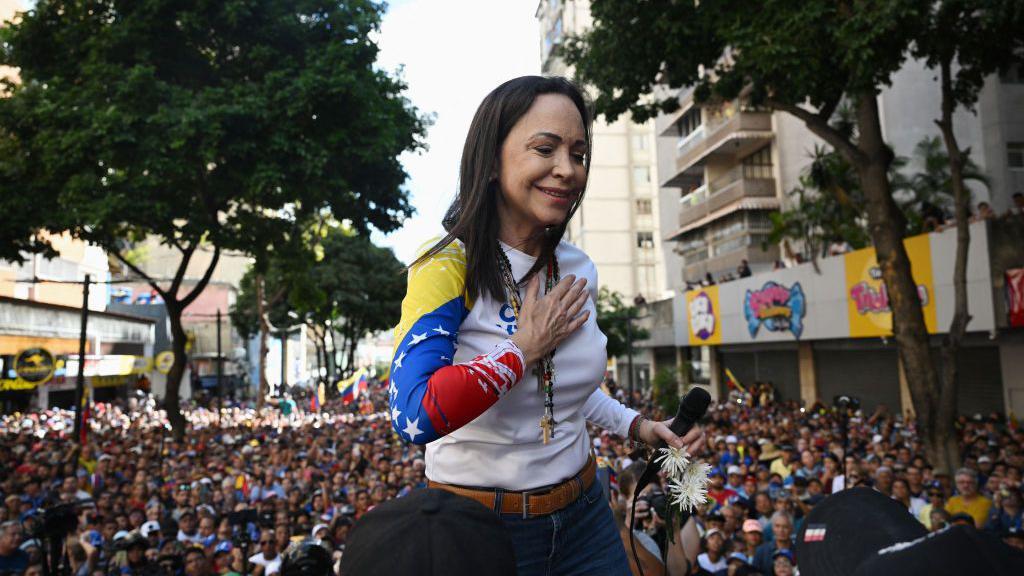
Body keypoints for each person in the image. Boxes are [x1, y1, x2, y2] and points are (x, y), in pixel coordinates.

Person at [388, 75, 704, 575]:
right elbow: (414, 412)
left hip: (587, 518)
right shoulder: (444, 265)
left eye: (578, 154)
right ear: (491, 159)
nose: (567, 170)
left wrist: (639, 426)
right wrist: (523, 347)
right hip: (480, 533)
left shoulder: (578, 267)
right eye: (545, 148)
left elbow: (561, 391)